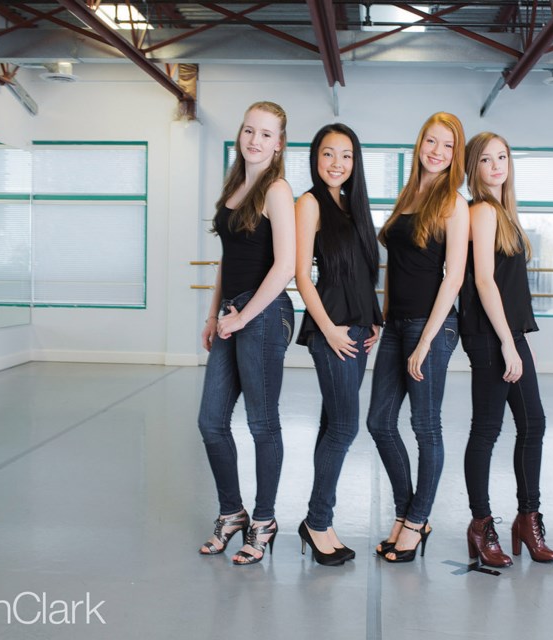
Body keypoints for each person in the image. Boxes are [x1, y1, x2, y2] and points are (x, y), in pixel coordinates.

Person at [197, 101, 296, 566]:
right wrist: (214, 314)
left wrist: (241, 316)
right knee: (211, 421)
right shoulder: (235, 187)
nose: (254, 140)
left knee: (261, 423)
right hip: (232, 314)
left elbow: (286, 266)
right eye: (249, 130)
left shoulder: (277, 190)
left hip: (265, 312)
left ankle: (264, 519)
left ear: (279, 144)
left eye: (266, 134)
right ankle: (231, 511)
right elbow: (227, 259)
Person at [367, 112, 469, 563]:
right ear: (419, 144)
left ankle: (415, 519)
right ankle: (411, 513)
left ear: (456, 154)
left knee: (425, 428)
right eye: (431, 141)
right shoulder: (408, 195)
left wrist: (427, 340)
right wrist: (382, 318)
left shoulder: (455, 203)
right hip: (396, 324)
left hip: (432, 327)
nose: (437, 152)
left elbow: (454, 278)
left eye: (447, 146)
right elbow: (396, 268)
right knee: (378, 422)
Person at [460, 132, 553, 567]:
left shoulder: (504, 213)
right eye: (486, 159)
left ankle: (528, 518)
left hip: (509, 333)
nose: (497, 165)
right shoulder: (481, 211)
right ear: (473, 167)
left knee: (533, 423)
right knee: (486, 429)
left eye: (502, 157)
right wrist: (505, 342)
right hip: (489, 334)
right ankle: (481, 526)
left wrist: (513, 340)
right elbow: (483, 280)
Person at [294, 123, 383, 566]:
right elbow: (301, 275)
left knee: (334, 424)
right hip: (332, 331)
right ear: (315, 158)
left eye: (346, 155)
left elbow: (366, 272)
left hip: (358, 330)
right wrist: (327, 328)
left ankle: (319, 521)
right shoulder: (309, 203)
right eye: (328, 154)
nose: (336, 163)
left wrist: (375, 321)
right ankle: (317, 521)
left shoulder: (352, 206)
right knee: (346, 427)